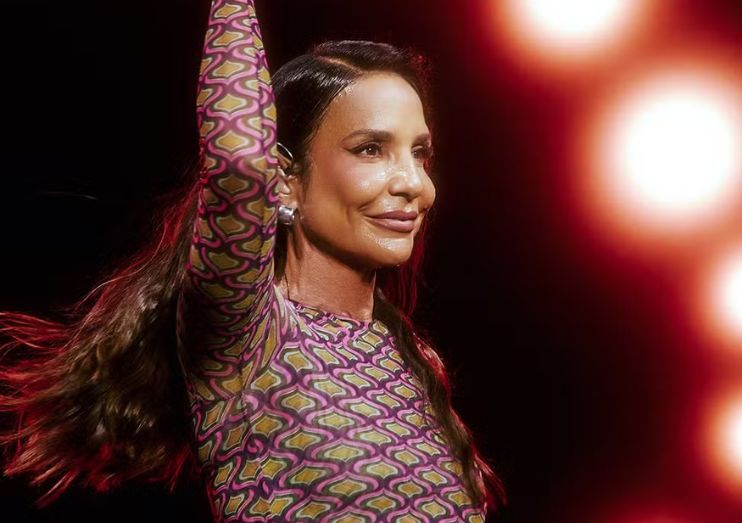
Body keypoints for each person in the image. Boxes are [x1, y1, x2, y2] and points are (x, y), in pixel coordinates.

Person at [0, 0, 507, 521]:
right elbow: (238, 166)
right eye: (371, 150)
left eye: (419, 153)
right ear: (285, 183)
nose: (413, 183)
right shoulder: (251, 332)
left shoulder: (410, 355)